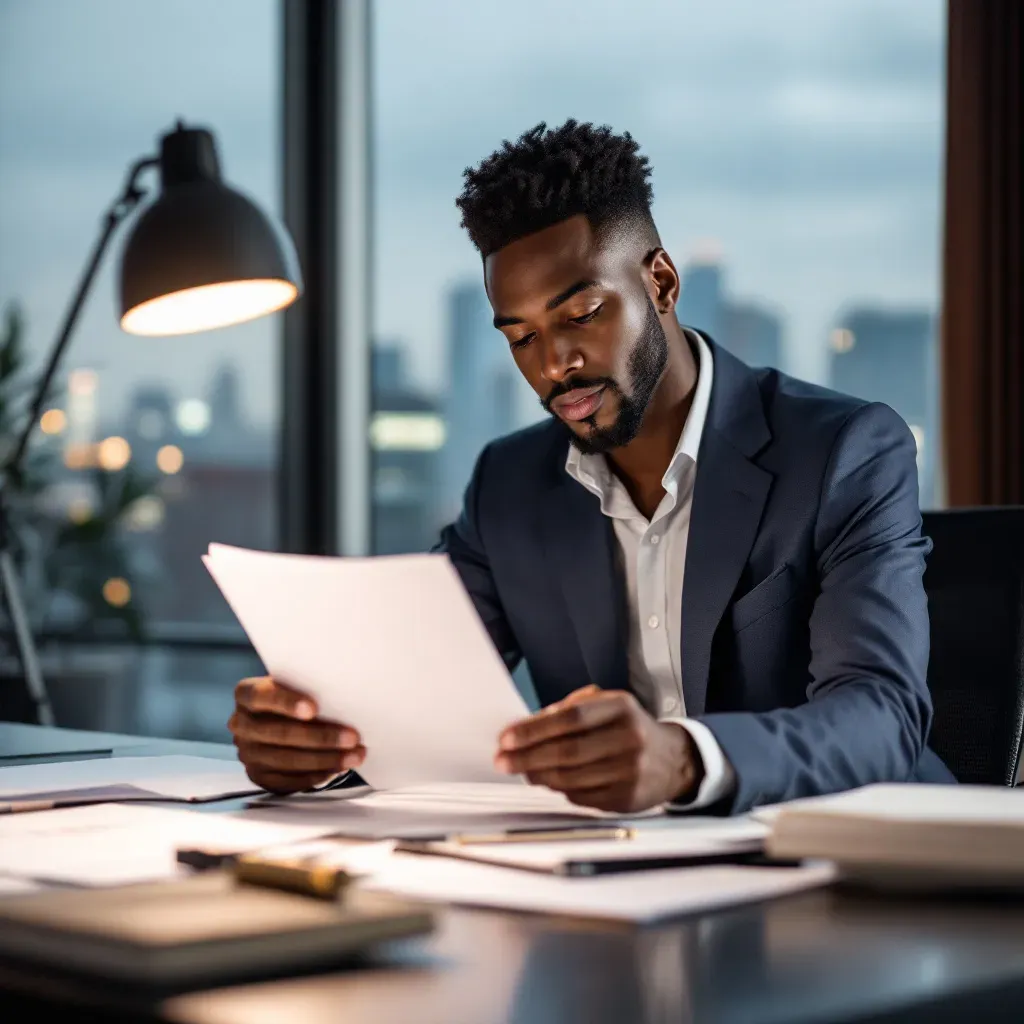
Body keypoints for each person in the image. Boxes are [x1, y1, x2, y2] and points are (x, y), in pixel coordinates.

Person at [228, 120, 954, 815]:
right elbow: (409, 700)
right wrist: (314, 742)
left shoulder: (844, 452)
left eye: (582, 316)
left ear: (662, 283)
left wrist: (683, 759)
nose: (553, 364)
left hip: (859, 878)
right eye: (522, 337)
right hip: (623, 875)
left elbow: (883, 718)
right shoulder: (508, 488)